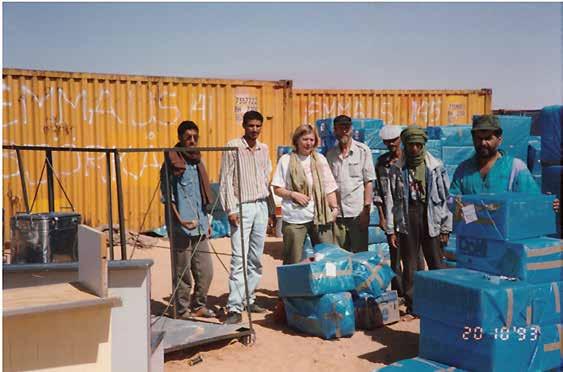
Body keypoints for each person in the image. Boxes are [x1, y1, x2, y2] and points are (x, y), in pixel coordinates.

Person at [382, 126, 452, 317]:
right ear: (405, 145)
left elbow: (446, 199)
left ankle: (443, 302)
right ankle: (414, 305)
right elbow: (390, 201)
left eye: (418, 145)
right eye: (411, 145)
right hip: (408, 216)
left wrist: (446, 227)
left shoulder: (435, 167)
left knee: (436, 262)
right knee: (410, 265)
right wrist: (391, 230)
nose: (414, 149)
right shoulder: (397, 169)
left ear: (423, 145)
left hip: (431, 216)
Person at [219, 110, 275, 325]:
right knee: (238, 259)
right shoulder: (233, 146)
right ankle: (234, 306)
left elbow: (265, 180)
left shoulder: (264, 149)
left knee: (255, 258)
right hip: (241, 207)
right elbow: (225, 179)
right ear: (244, 125)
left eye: (258, 126)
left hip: (260, 205)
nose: (254, 130)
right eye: (250, 126)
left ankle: (248, 298)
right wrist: (231, 210)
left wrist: (270, 210)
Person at [160, 120, 215, 319]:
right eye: (188, 138)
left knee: (206, 271)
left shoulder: (198, 162)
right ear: (180, 139)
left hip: (199, 225)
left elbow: (202, 196)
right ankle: (181, 310)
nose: (192, 141)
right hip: (180, 227)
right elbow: (168, 197)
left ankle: (199, 305)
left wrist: (206, 221)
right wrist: (180, 220)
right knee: (182, 273)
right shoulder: (171, 162)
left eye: (195, 137)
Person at [271, 124, 339, 264]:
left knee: (326, 257)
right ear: (297, 140)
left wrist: (335, 208)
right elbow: (277, 188)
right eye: (305, 139)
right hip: (295, 218)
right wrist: (293, 195)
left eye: (312, 140)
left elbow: (329, 186)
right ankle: (292, 286)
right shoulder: (286, 160)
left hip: (320, 217)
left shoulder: (320, 159)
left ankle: (323, 285)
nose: (309, 143)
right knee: (292, 259)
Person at [326, 115, 376, 252]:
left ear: (351, 130)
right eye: (340, 128)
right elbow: (328, 185)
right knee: (341, 256)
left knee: (360, 255)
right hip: (339, 215)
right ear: (334, 131)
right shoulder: (330, 155)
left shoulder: (363, 151)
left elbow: (368, 182)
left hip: (357, 214)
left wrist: (366, 211)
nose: (343, 132)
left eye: (346, 128)